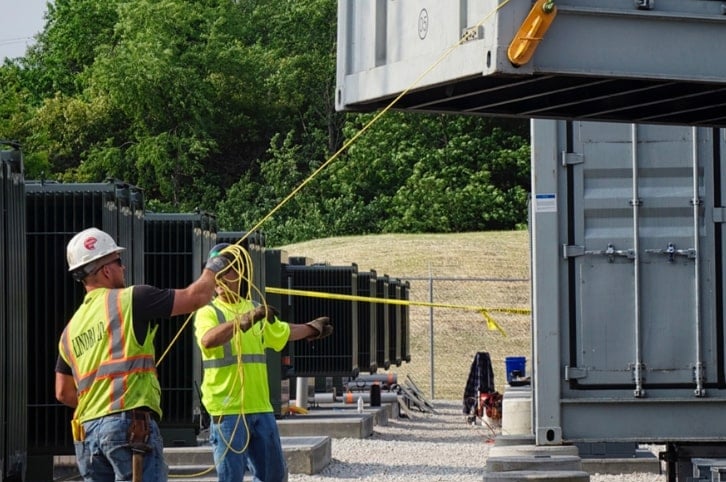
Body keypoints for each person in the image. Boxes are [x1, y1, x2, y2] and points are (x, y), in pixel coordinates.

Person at [55, 227, 232, 482]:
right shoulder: (129, 299)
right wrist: (215, 265)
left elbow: (63, 392)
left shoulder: (69, 330)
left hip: (87, 435)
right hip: (129, 427)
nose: (123, 268)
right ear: (106, 269)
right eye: (119, 262)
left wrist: (101, 406)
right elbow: (197, 297)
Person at [193, 243, 333, 482]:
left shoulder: (256, 309)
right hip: (227, 412)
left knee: (273, 476)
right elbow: (208, 340)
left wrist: (312, 329)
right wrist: (245, 320)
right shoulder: (209, 312)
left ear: (239, 274)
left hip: (259, 408)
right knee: (231, 478)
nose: (219, 278)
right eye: (214, 272)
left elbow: (282, 331)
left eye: (226, 270)